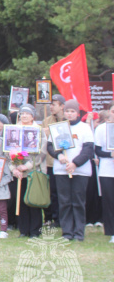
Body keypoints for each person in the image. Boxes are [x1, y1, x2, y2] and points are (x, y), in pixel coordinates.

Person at [46, 99, 94, 241]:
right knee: (64, 202)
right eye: (67, 111)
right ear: (64, 112)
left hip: (79, 171)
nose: (70, 114)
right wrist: (59, 155)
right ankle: (67, 232)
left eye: (72, 111)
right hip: (62, 170)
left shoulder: (84, 128)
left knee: (78, 202)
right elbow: (50, 146)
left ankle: (79, 232)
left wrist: (75, 164)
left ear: (77, 113)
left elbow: (88, 149)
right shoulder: (58, 127)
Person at [94, 101, 114, 244]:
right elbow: (97, 150)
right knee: (109, 202)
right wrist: (110, 155)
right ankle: (112, 232)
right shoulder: (101, 129)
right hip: (107, 170)